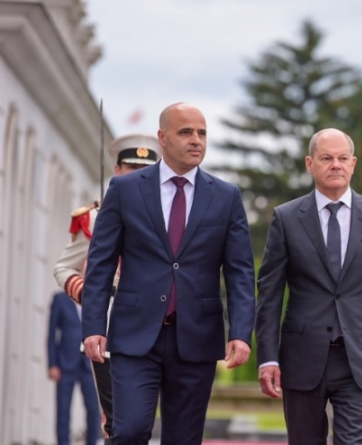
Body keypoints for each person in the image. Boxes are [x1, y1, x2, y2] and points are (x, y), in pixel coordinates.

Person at [81, 103, 256, 444]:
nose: (196, 140)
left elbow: (240, 272)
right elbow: (101, 263)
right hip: (134, 336)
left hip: (197, 337)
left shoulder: (226, 197)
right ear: (163, 138)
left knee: (184, 438)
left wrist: (240, 332)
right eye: (186, 132)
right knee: (129, 430)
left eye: (202, 133)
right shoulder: (125, 190)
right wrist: (93, 326)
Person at [255, 128, 362, 445]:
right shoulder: (286, 218)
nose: (335, 165)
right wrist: (268, 357)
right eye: (326, 158)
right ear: (310, 164)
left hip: (359, 359)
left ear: (353, 164)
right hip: (301, 357)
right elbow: (269, 295)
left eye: (342, 158)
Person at [53, 132, 162, 443]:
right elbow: (63, 268)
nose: (138, 176)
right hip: (111, 324)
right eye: (132, 169)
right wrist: (89, 295)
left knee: (145, 419)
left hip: (155, 324)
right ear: (117, 170)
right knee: (118, 421)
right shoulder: (94, 218)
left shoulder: (169, 214)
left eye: (146, 170)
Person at [48, 290, 101, 445]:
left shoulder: (93, 297)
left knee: (93, 410)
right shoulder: (60, 299)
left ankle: (92, 442)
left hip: (88, 365)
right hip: (65, 364)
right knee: (63, 411)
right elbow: (52, 335)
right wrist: (52, 364)